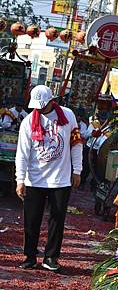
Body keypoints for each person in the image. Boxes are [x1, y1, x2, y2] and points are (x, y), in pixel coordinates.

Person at [15, 85, 83, 272]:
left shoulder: (68, 116)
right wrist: (20, 179)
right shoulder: (28, 122)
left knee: (57, 219)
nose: (38, 110)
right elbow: (22, 153)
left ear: (52, 101)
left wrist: (77, 170)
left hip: (60, 179)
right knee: (31, 220)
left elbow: (76, 144)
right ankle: (29, 256)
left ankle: (51, 257)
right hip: (34, 179)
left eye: (42, 106)